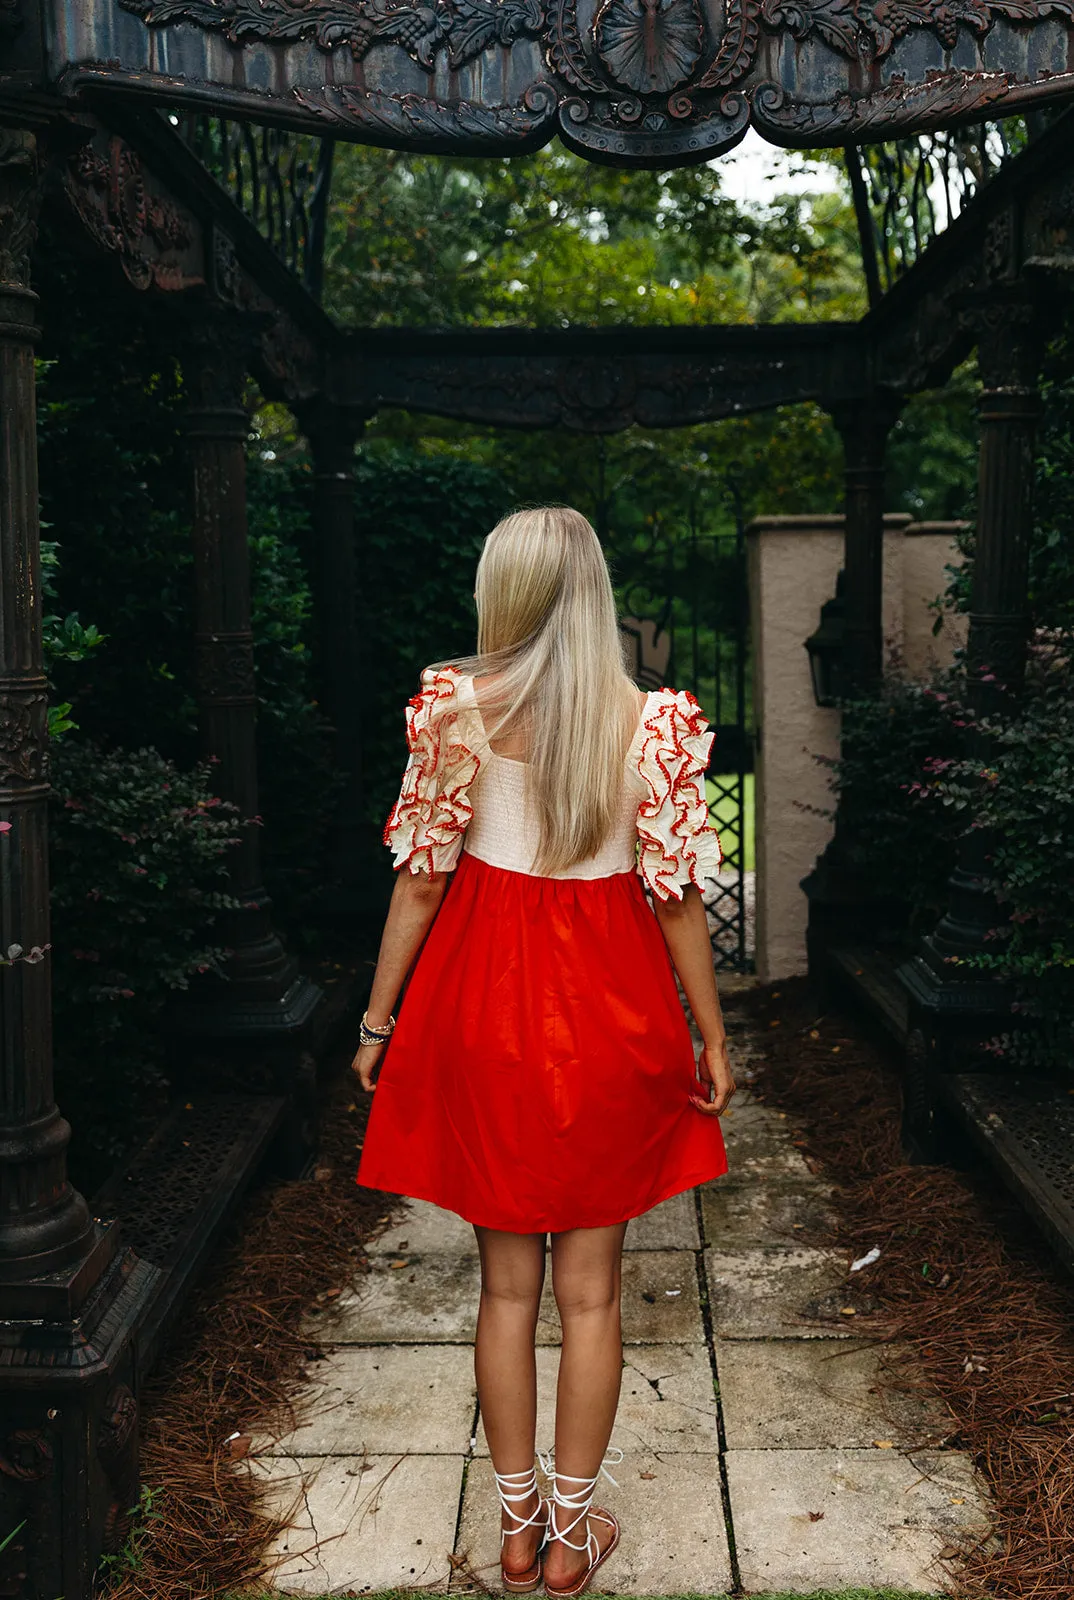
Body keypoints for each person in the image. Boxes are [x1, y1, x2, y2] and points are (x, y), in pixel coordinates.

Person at [352, 506, 734, 1599]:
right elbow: (676, 898)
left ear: (504, 592)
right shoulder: (651, 724)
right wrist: (710, 1033)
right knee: (593, 1294)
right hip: (611, 1016)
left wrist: (379, 1023)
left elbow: (422, 877)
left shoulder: (454, 711)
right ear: (599, 593)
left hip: (485, 1012)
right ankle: (570, 1541)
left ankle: (515, 1531)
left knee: (505, 1287)